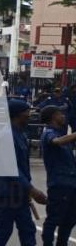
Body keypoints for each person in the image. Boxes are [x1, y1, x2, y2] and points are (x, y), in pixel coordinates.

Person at [0, 100, 48, 246]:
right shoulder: (7, 136)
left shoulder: (20, 134)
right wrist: (33, 191)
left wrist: (27, 191)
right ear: (18, 115)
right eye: (27, 113)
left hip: (19, 192)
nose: (30, 116)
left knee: (28, 229)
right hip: (7, 193)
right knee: (3, 231)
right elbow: (12, 169)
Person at [40, 105, 76, 246]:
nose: (63, 116)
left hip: (71, 184)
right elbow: (57, 142)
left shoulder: (61, 135)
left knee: (70, 219)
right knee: (53, 219)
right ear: (53, 116)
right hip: (59, 185)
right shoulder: (48, 133)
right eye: (60, 113)